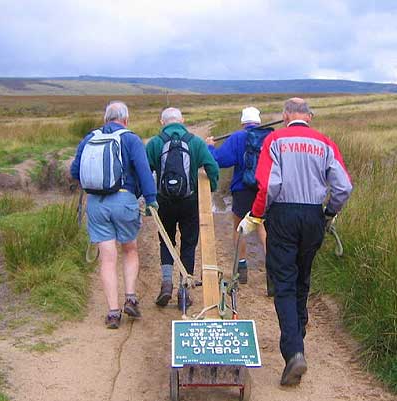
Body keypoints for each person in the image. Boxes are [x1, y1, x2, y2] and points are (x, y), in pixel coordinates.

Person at [238, 98, 352, 385]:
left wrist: (255, 215)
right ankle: (298, 334)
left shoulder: (275, 139)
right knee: (303, 278)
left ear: (286, 115)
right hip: (314, 216)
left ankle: (294, 352)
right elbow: (343, 187)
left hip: (283, 215)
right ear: (309, 117)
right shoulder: (325, 143)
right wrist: (329, 212)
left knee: (284, 283)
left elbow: (270, 184)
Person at [70, 101, 158, 329]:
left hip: (96, 204)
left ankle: (112, 313)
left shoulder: (90, 138)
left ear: (105, 118)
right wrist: (151, 199)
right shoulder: (131, 138)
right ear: (126, 119)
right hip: (124, 200)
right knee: (129, 249)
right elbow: (144, 170)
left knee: (107, 258)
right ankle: (130, 297)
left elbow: (74, 171)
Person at [146, 107, 219, 309]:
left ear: (162, 122)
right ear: (182, 120)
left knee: (166, 241)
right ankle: (184, 291)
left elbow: (144, 171)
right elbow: (212, 166)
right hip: (189, 201)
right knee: (188, 243)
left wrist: (147, 197)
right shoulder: (195, 142)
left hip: (164, 202)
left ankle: (167, 283)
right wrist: (210, 187)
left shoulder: (155, 143)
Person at [205, 107, 268, 288]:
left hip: (242, 189)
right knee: (263, 227)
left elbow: (219, 159)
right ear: (258, 121)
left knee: (239, 227)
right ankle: (272, 271)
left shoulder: (237, 137)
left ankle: (241, 269)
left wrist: (209, 146)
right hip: (264, 190)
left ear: (243, 122)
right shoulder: (268, 137)